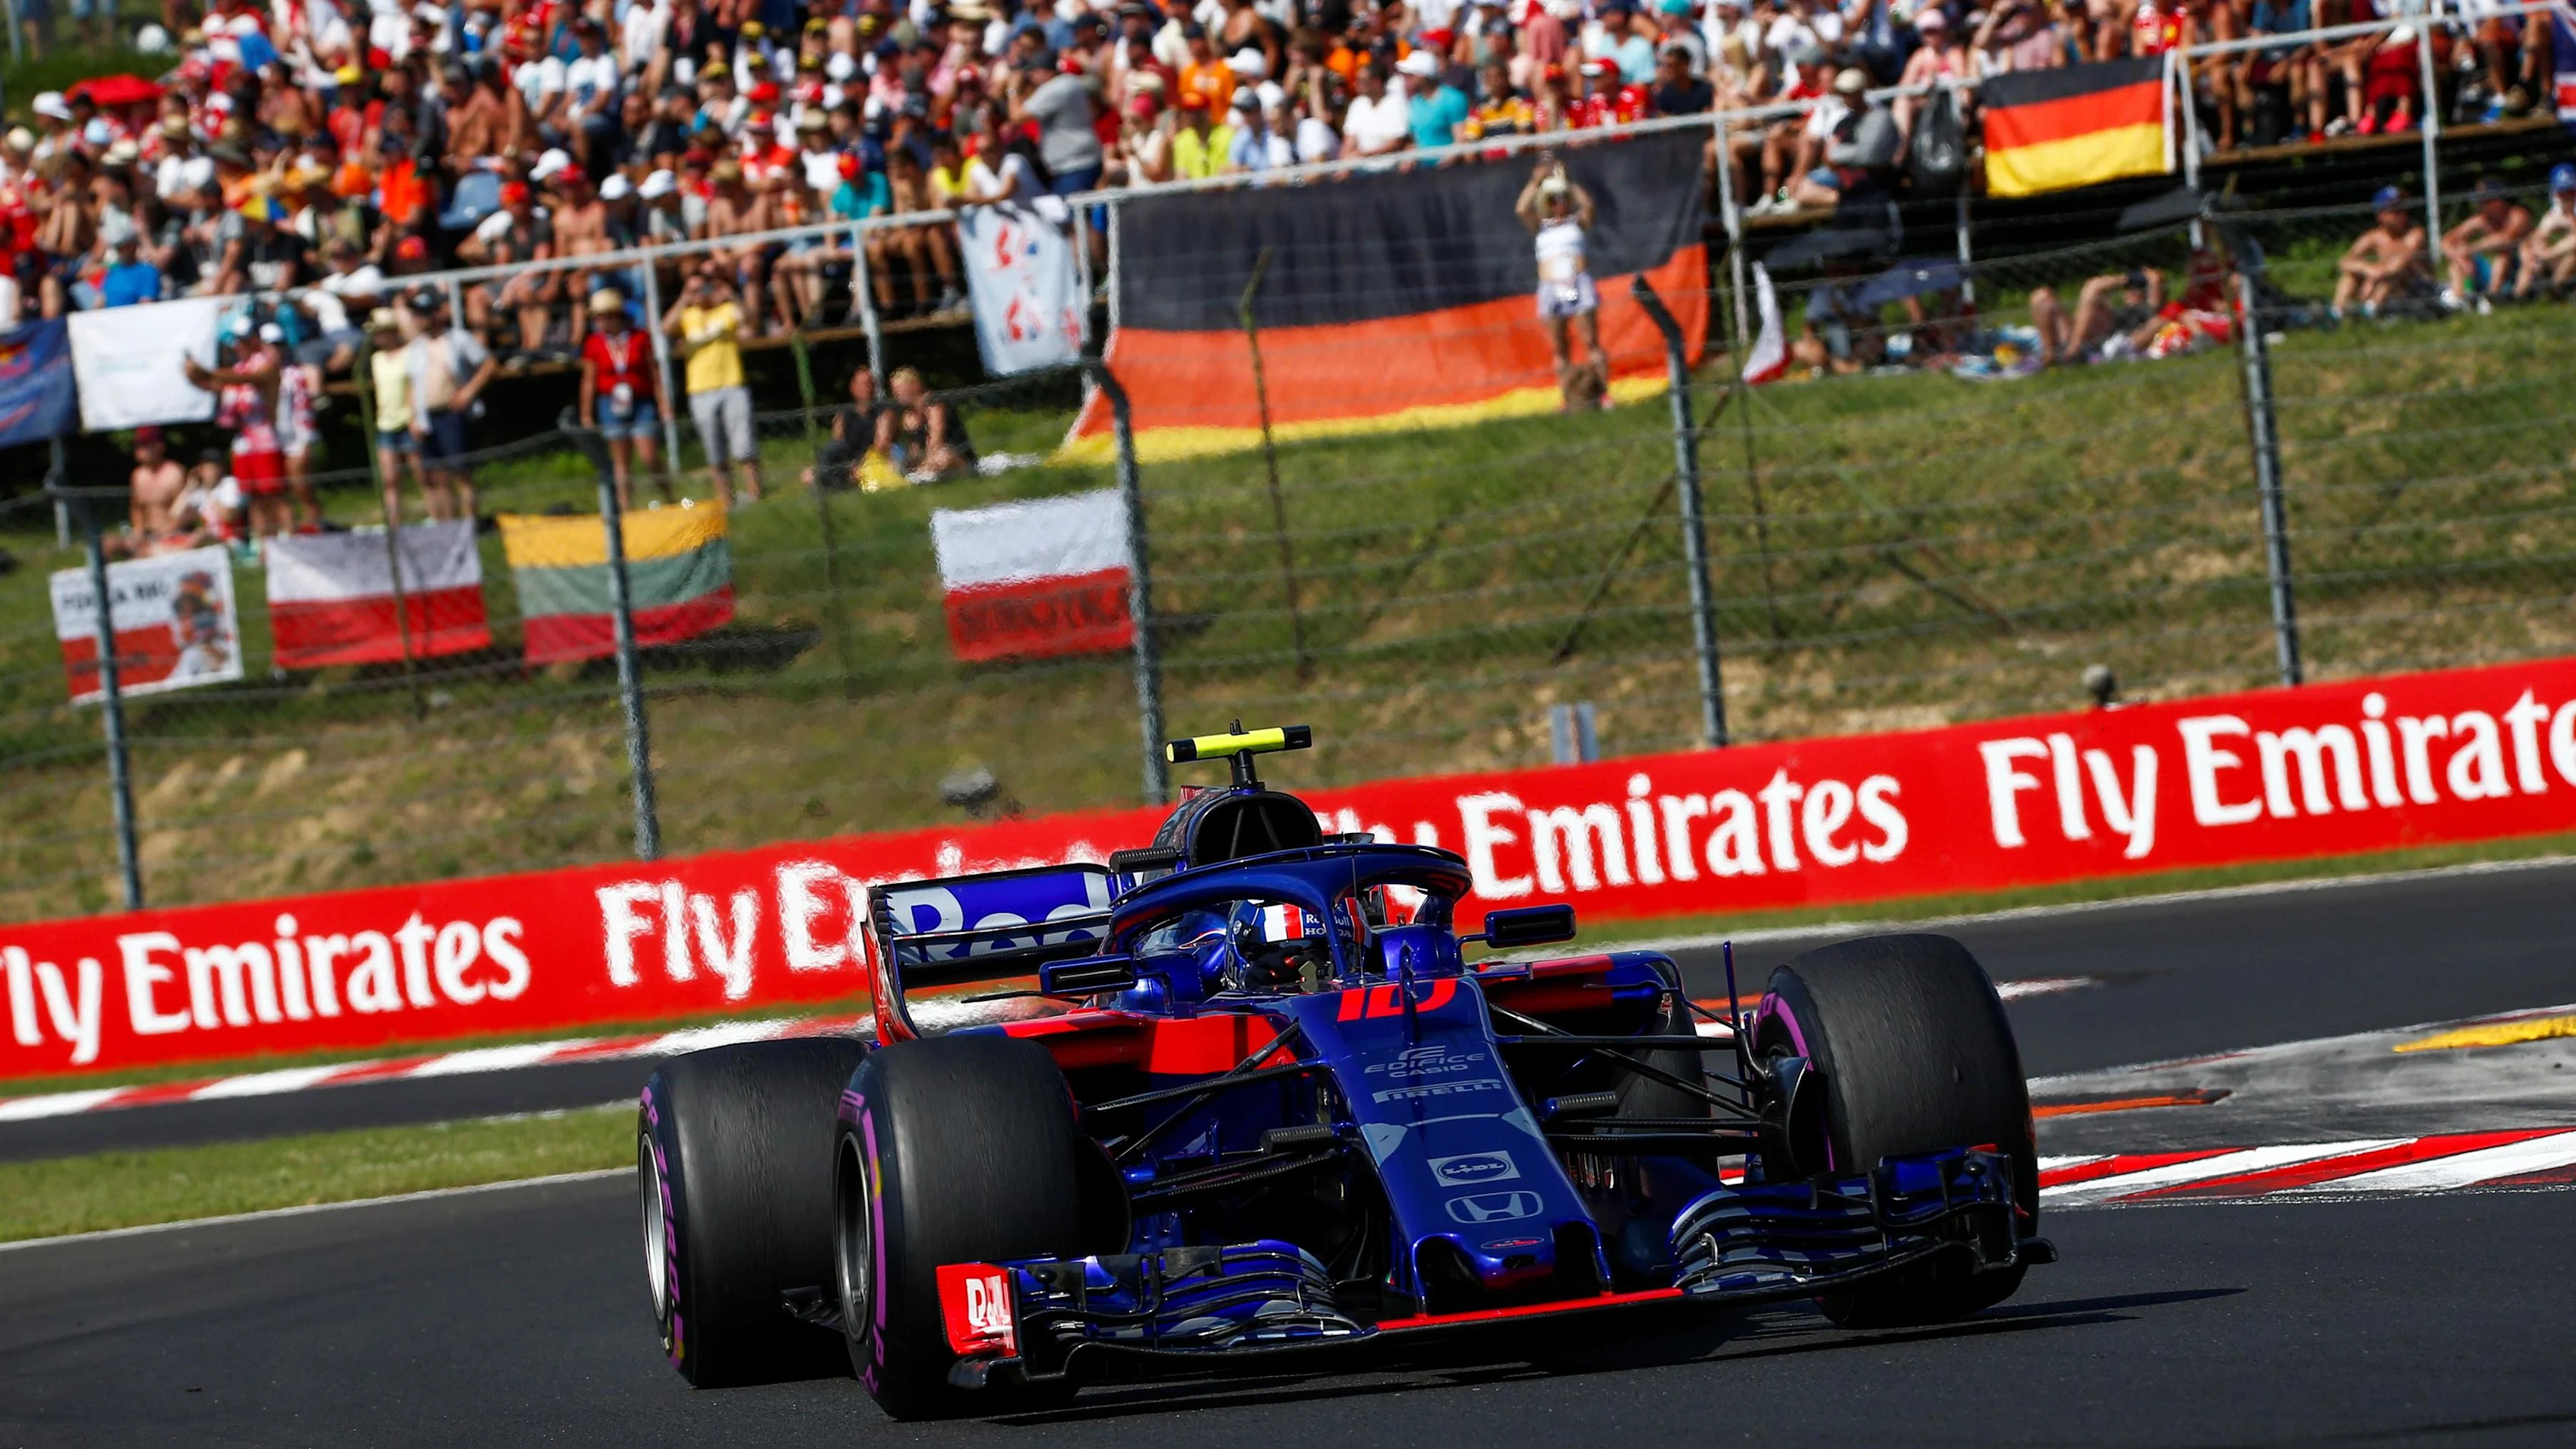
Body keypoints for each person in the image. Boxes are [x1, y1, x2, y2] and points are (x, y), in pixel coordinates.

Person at [181, 322, 293, 539]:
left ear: (254, 340)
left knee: (275, 496)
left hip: (266, 441)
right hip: (244, 443)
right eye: (236, 342)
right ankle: (264, 545)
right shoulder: (237, 369)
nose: (238, 346)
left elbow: (248, 379)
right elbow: (214, 385)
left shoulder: (267, 365)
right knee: (254, 499)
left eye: (242, 341)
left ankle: (292, 539)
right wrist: (193, 375)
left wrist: (207, 372)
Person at [1514, 158, 1609, 412]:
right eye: (1553, 199)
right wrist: (1536, 181)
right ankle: (1568, 397)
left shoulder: (1576, 222)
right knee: (1560, 346)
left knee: (1590, 340)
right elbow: (1522, 209)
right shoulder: (1541, 226)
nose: (1559, 203)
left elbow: (1589, 205)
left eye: (1562, 198)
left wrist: (1568, 181)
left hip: (1576, 279)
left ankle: (1602, 394)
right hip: (1551, 283)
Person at [665, 263, 762, 504]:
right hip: (700, 391)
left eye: (702, 288)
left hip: (732, 384)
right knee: (715, 451)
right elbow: (665, 328)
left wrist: (732, 296)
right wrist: (684, 299)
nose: (700, 294)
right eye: (694, 290)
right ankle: (726, 499)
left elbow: (751, 322)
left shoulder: (727, 311)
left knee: (744, 446)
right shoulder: (687, 316)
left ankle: (755, 494)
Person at [404, 288, 495, 524]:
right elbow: (412, 385)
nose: (421, 319)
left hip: (452, 414)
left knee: (460, 471)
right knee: (435, 476)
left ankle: (470, 524)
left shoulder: (457, 339)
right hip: (427, 417)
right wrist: (412, 417)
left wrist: (469, 391)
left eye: (425, 313)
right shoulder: (415, 348)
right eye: (418, 314)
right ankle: (445, 525)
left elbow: (488, 363)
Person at [579, 289, 673, 510]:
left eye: (603, 316)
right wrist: (586, 412)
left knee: (648, 454)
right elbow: (589, 379)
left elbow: (653, 372)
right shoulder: (594, 343)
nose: (600, 322)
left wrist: (663, 402)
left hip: (641, 401)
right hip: (610, 403)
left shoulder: (640, 337)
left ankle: (669, 497)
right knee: (621, 461)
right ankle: (625, 507)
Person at [363, 308, 431, 524]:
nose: (377, 337)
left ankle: (436, 518)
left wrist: (415, 417)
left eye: (381, 332)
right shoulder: (376, 359)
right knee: (390, 479)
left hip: (408, 421)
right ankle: (394, 524)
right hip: (385, 424)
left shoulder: (409, 353)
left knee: (422, 476)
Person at [2334, 186, 2431, 317]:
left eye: (2403, 209)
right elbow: (2345, 261)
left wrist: (2375, 276)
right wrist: (2367, 269)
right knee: (2350, 276)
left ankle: (2370, 312)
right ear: (2381, 214)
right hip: (2383, 280)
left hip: (2415, 284)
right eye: (2395, 210)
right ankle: (2337, 313)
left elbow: (2402, 261)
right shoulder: (2374, 237)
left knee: (2392, 276)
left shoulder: (2415, 233)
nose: (2402, 214)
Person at [2442, 176, 2533, 312]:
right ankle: (2459, 301)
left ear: (2498, 201)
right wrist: (2459, 257)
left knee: (2503, 254)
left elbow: (2505, 239)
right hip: (2491, 269)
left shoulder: (2518, 215)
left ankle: (2493, 298)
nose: (2479, 206)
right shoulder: (2481, 220)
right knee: (2458, 257)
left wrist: (2471, 249)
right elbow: (2447, 240)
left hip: (2517, 270)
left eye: (2484, 201)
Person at [875, 366, 977, 480]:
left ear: (915, 385)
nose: (897, 393)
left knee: (942, 456)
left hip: (955, 456)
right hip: (926, 460)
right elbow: (913, 448)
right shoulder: (908, 414)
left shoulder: (934, 403)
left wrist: (926, 462)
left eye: (901, 388)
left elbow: (936, 440)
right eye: (894, 389)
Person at [2515, 165, 2576, 301]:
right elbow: (2538, 236)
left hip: (2564, 257)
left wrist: (2568, 223)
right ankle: (2518, 297)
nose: (2566, 197)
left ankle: (2556, 289)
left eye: (2571, 192)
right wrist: (2528, 249)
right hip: (2555, 258)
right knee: (2532, 250)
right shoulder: (2554, 212)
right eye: (2562, 192)